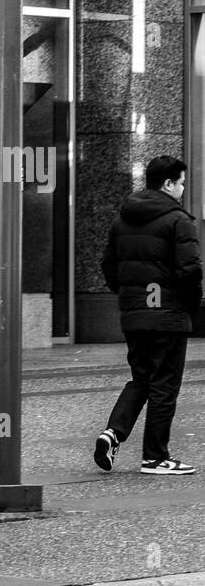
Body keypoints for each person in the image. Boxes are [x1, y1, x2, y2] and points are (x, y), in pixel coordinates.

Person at [95, 155, 202, 475]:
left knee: (141, 379)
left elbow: (107, 266)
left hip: (134, 314)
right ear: (168, 184)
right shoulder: (178, 220)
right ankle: (155, 457)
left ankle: (112, 432)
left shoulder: (122, 220)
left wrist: (131, 296)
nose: (183, 189)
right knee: (165, 386)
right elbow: (190, 270)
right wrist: (190, 305)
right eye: (181, 183)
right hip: (168, 315)